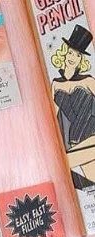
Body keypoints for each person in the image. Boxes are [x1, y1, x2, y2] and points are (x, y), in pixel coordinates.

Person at [51, 25, 95, 186]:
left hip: (92, 135)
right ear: (64, 53)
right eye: (70, 52)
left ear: (80, 60)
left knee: (62, 164)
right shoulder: (55, 84)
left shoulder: (88, 81)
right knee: (91, 183)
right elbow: (53, 119)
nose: (72, 57)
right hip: (74, 142)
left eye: (77, 55)